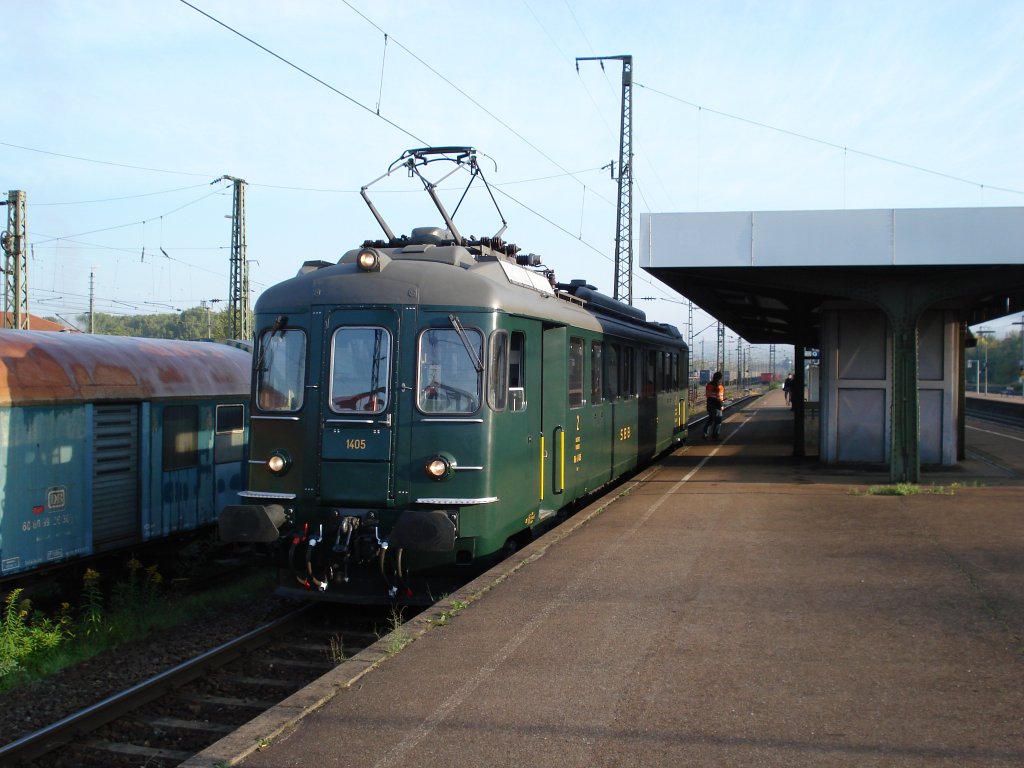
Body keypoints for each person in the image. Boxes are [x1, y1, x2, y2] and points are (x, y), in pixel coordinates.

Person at [703, 371, 725, 440]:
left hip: (709, 405)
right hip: (717, 406)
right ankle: (715, 436)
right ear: (720, 378)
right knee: (718, 421)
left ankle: (705, 433)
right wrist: (721, 406)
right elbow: (719, 398)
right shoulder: (720, 387)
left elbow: (708, 395)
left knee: (711, 419)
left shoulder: (709, 385)